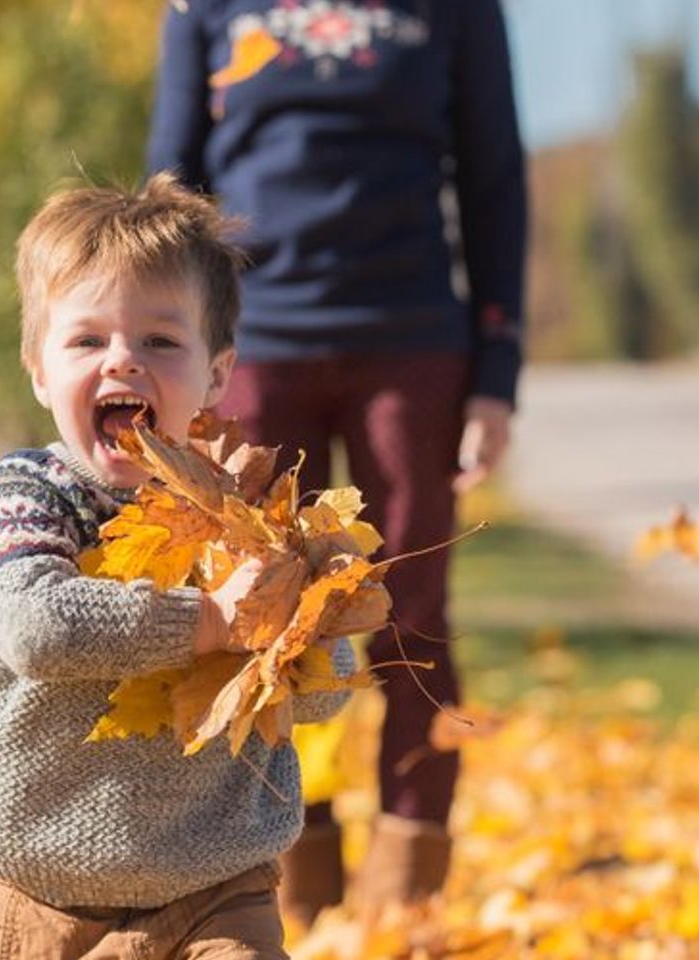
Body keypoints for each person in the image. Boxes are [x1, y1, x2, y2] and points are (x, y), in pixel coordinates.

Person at [146, 0, 530, 920]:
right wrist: (169, 361)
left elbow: (494, 179)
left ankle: (408, 897)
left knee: (413, 619)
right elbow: (170, 189)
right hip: (252, 349)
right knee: (270, 622)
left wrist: (496, 375)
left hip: (413, 344)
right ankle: (291, 889)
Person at [0, 174, 356, 960]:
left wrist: (293, 620)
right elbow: (34, 628)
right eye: (87, 341)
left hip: (219, 884)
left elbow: (325, 693)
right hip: (49, 891)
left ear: (217, 374)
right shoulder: (29, 498)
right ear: (38, 368)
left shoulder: (247, 515)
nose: (124, 362)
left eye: (160, 342)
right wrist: (210, 621)